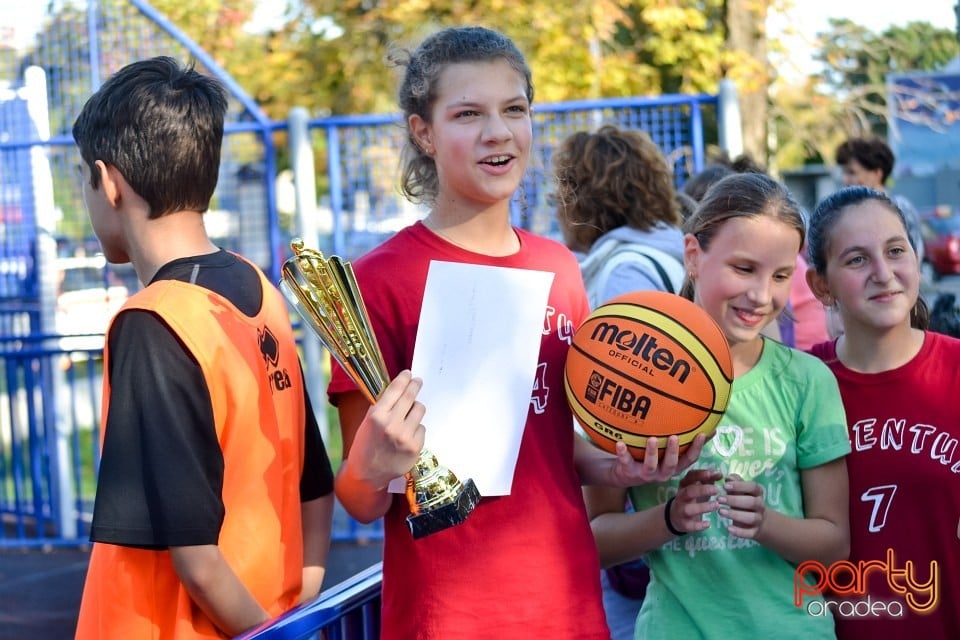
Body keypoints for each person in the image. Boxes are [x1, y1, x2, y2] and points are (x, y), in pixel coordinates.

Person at [326, 26, 705, 640]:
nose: (497, 131)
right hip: (448, 617)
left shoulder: (559, 269)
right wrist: (375, 463)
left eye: (514, 109)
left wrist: (622, 468)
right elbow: (362, 499)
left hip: (568, 608)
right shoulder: (378, 282)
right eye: (468, 113)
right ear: (423, 132)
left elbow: (549, 447)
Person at [72, 57, 335, 639]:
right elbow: (315, 485)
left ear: (108, 181)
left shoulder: (153, 321)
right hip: (270, 614)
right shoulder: (258, 289)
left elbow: (195, 556)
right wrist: (293, 611)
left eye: (83, 181)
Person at [584, 172, 852, 640]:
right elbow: (593, 541)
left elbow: (834, 547)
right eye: (744, 268)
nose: (761, 295)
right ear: (693, 255)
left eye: (781, 275)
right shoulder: (629, 377)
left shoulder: (808, 382)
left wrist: (767, 524)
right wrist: (668, 519)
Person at [805, 186, 960, 639]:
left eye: (896, 251)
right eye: (856, 259)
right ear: (821, 285)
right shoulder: (800, 382)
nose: (883, 272)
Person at [551, 124, 684, 639]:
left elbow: (619, 399)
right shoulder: (675, 252)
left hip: (644, 502)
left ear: (582, 197)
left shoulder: (621, 275)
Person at [553, 124, 685, 307]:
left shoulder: (626, 274)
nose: (558, 212)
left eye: (561, 199)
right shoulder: (661, 250)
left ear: (584, 204)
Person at [834, 137, 924, 263]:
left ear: (877, 173)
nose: (845, 180)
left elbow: (913, 260)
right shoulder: (842, 212)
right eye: (844, 173)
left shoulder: (900, 208)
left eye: (852, 173)